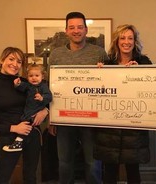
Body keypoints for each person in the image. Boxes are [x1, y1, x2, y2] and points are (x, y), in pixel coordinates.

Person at [48, 11, 109, 184]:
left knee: (93, 162)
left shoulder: (99, 53)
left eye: (80, 27)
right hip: (64, 117)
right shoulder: (56, 55)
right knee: (65, 162)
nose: (76, 31)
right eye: (72, 27)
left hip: (92, 117)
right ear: (66, 30)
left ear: (86, 30)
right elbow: (50, 86)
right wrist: (52, 118)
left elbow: (109, 82)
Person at [0, 47, 49, 184]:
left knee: (30, 177)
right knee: (1, 179)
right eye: (11, 59)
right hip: (9, 138)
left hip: (33, 135)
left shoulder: (26, 83)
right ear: (1, 60)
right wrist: (14, 128)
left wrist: (45, 110)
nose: (15, 64)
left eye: (19, 61)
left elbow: (46, 98)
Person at [94, 24, 151, 184]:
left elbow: (153, 90)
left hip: (134, 127)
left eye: (130, 38)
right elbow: (98, 94)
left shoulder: (144, 62)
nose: (126, 42)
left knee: (133, 172)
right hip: (109, 129)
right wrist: (97, 76)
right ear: (117, 41)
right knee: (109, 172)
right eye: (123, 38)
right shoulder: (106, 63)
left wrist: (140, 73)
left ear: (135, 41)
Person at [3, 63, 52, 152]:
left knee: (26, 124)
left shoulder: (43, 86)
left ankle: (18, 141)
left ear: (42, 76)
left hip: (36, 111)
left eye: (37, 75)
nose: (34, 78)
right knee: (26, 123)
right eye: (31, 76)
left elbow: (49, 97)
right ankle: (20, 141)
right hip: (28, 110)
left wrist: (42, 98)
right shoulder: (29, 86)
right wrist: (17, 84)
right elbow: (22, 87)